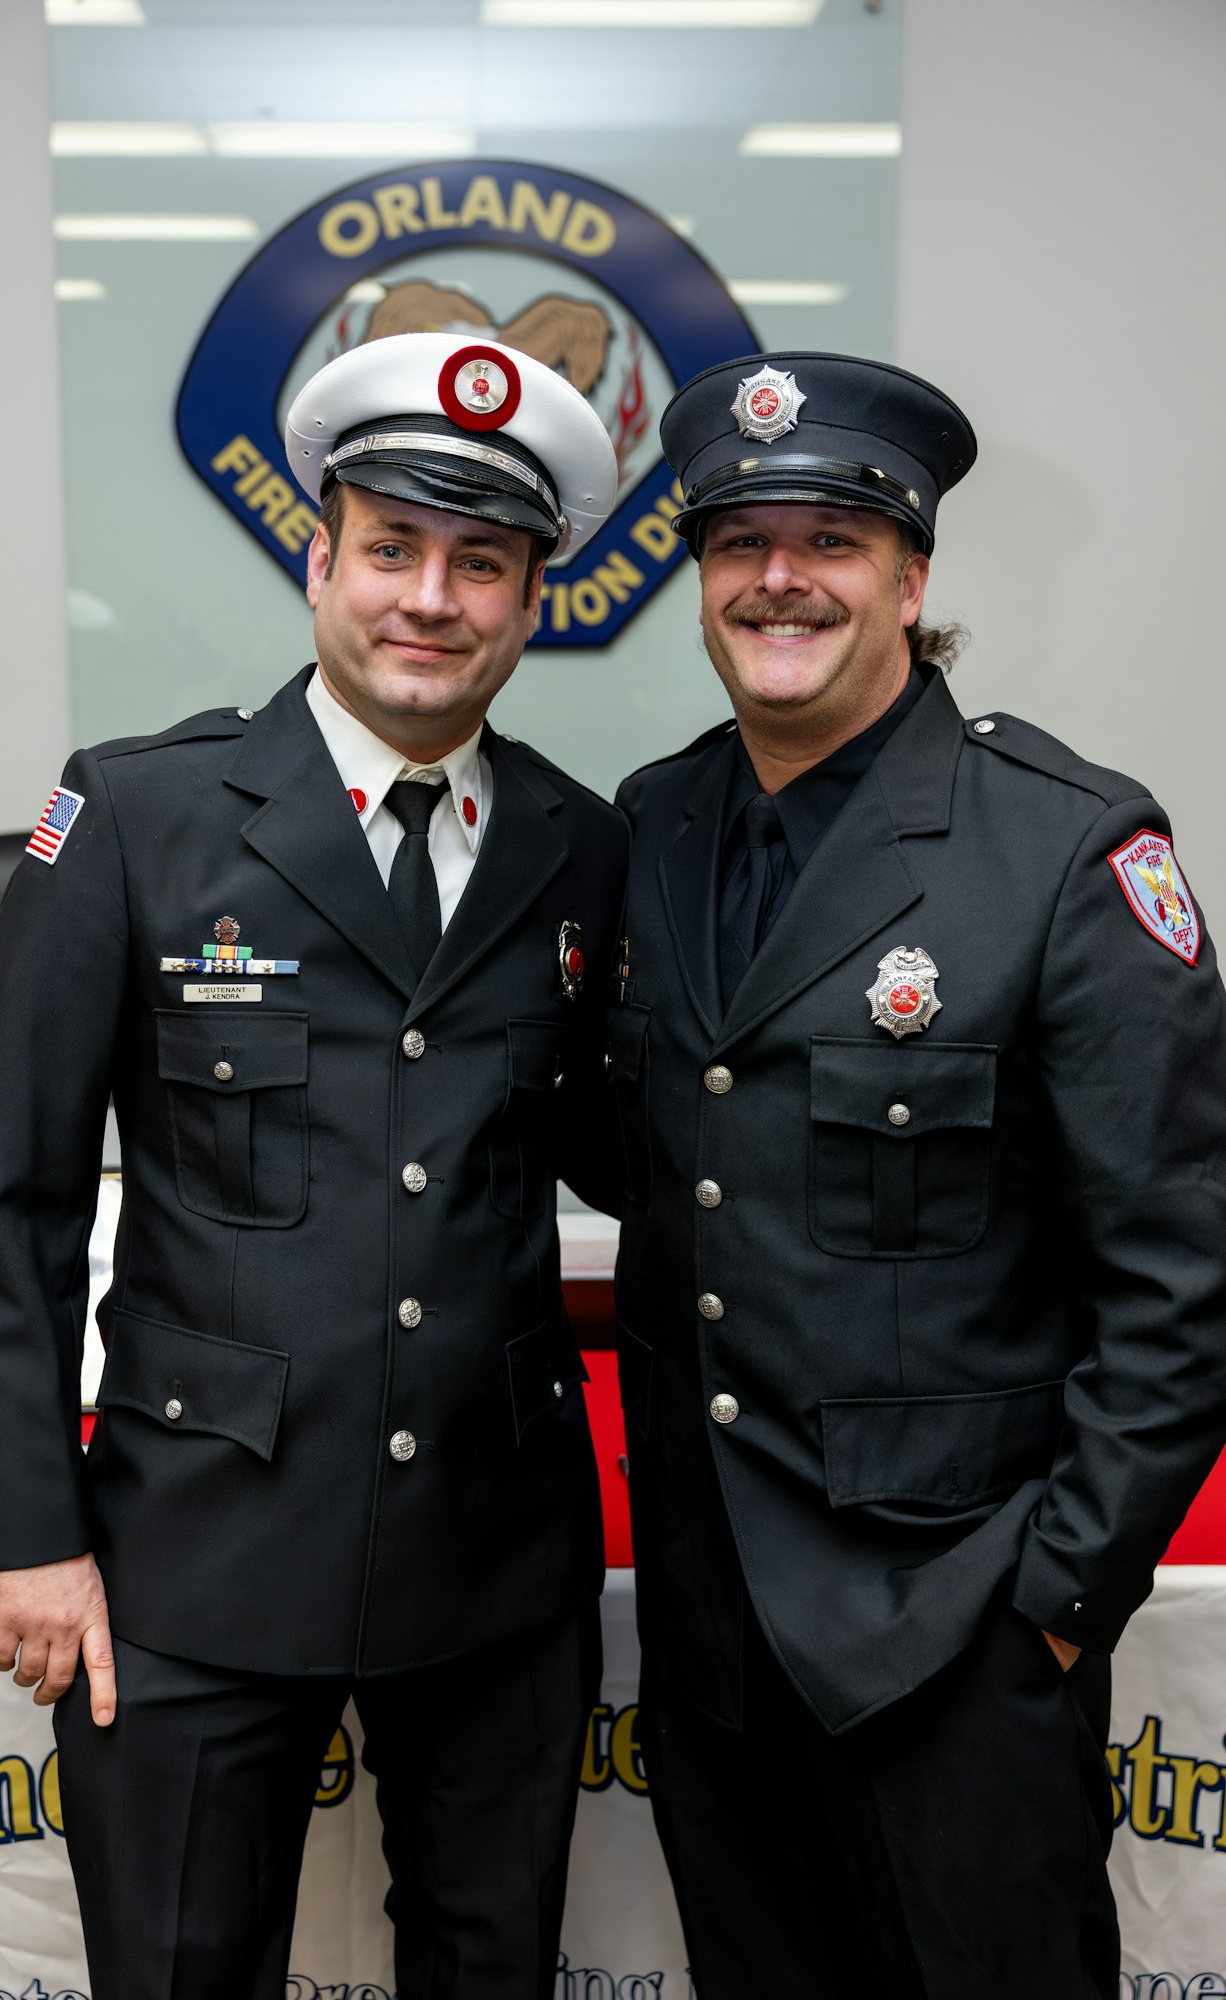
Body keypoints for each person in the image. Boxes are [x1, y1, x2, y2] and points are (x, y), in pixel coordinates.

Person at [0, 330, 628, 2000]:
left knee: (492, 1970)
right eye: (391, 548)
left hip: (494, 1550)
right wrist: (26, 1532)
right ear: (317, 561)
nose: (429, 599)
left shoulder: (577, 844)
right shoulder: (134, 817)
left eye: (482, 564)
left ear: (534, 599)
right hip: (197, 1540)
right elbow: (6, 1204)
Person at [607, 349, 1226, 1997]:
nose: (778, 578)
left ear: (911, 572)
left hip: (953, 1638)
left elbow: (1181, 1276)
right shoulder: (656, 827)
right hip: (717, 1640)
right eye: (738, 542)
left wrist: (1055, 1601)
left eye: (831, 538)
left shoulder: (1064, 848)